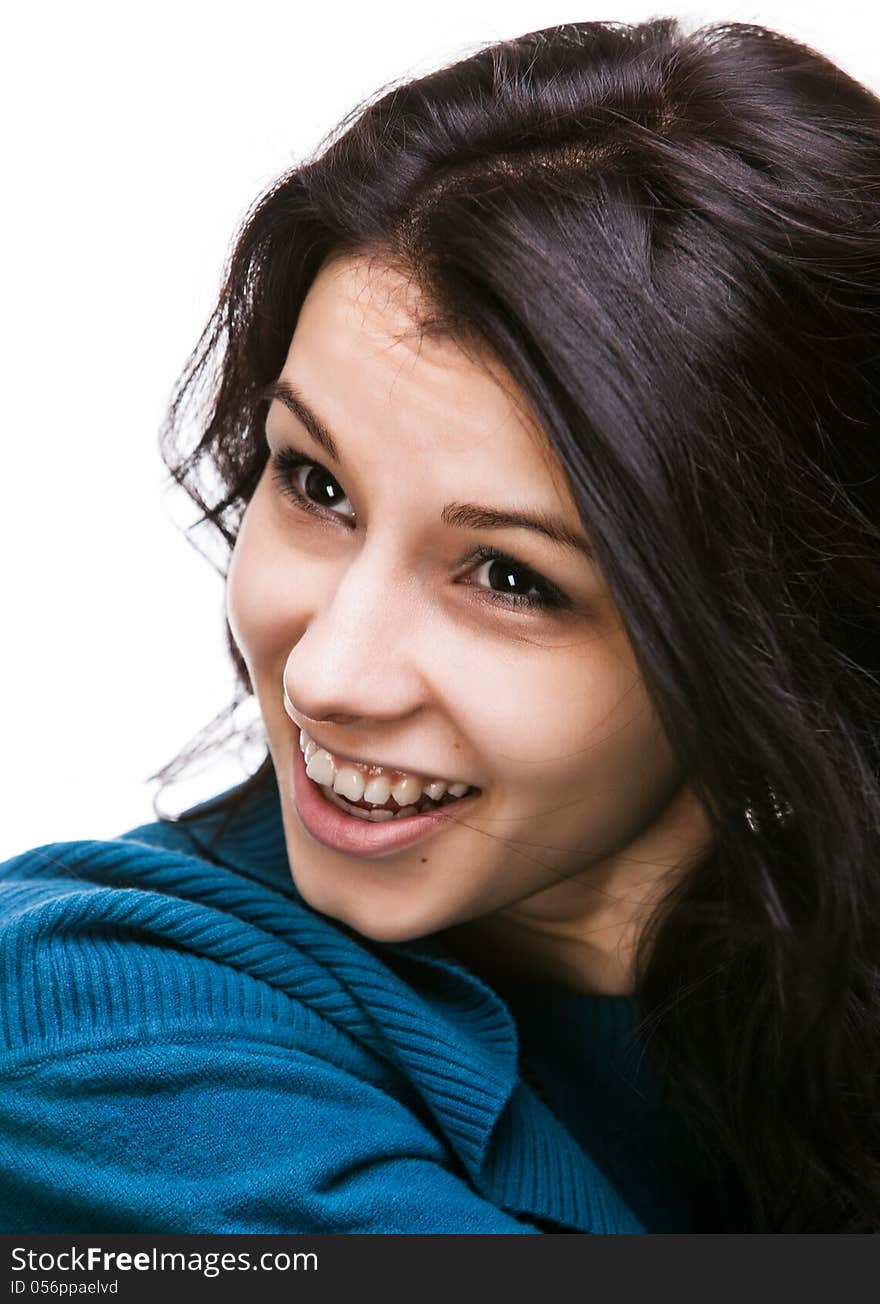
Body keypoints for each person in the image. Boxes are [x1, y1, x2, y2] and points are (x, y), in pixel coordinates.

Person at [1, 14, 879, 1235]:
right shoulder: (102, 1020)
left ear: (772, 634)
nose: (325, 671)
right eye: (314, 483)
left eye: (510, 577)